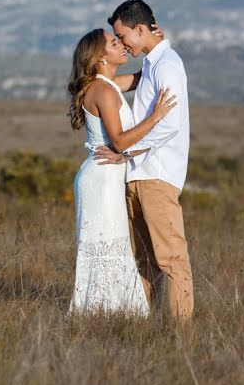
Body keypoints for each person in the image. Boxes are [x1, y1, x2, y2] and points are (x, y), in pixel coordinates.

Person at [66, 26, 178, 316]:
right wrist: (156, 117)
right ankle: (103, 314)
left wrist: (158, 43)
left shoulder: (109, 84)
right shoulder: (102, 90)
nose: (122, 46)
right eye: (114, 43)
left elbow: (145, 77)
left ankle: (109, 313)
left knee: (112, 245)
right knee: (106, 246)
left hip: (107, 175)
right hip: (102, 177)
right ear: (101, 57)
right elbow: (119, 141)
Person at [97, 0, 194, 321]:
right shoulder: (154, 63)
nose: (122, 45)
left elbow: (171, 123)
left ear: (140, 30)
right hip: (138, 174)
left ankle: (181, 337)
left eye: (123, 36)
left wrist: (128, 151)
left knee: (171, 259)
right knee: (143, 259)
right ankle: (146, 325)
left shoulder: (166, 65)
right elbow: (126, 83)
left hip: (157, 175)